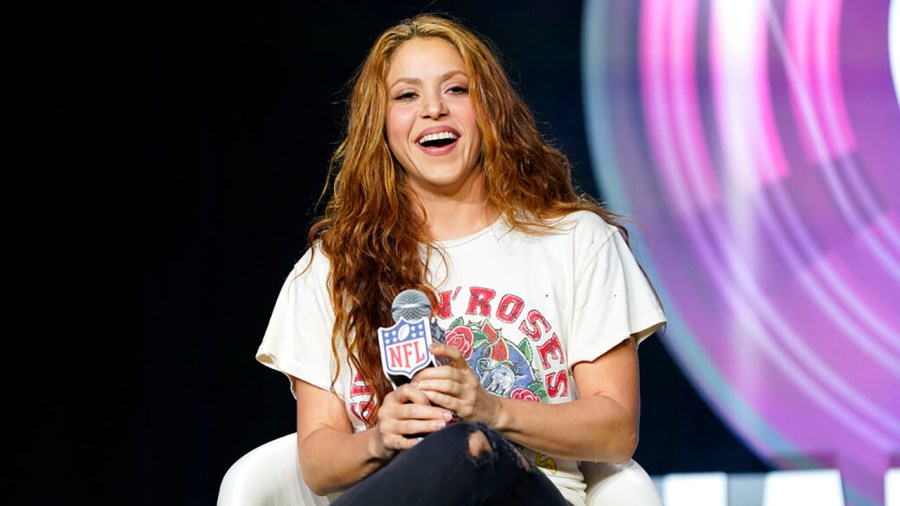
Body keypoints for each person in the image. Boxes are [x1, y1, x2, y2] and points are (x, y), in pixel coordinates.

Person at [256, 12, 666, 506]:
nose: (433, 109)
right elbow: (318, 465)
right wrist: (380, 439)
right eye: (407, 96)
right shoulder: (331, 268)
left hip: (523, 491)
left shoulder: (577, 242)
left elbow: (616, 429)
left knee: (466, 448)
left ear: (489, 109)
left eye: (456, 90)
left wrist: (490, 411)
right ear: (380, 126)